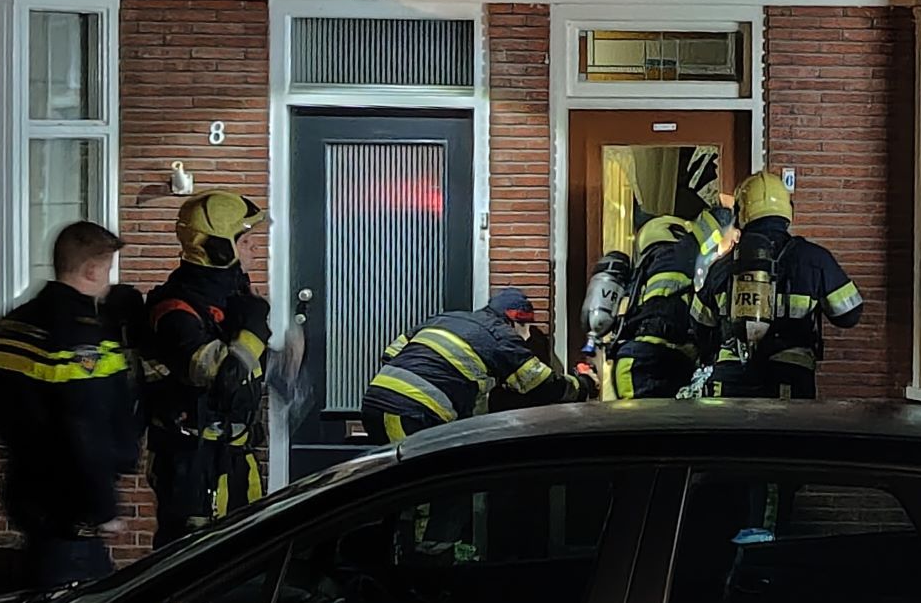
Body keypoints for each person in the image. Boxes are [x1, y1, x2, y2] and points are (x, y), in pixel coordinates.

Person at [0, 222, 142, 586]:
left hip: (27, 488)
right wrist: (104, 508)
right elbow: (85, 427)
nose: (109, 281)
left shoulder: (11, 326)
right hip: (72, 504)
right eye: (108, 269)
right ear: (92, 269)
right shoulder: (80, 340)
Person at [143, 190, 271, 547]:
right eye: (245, 241)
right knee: (194, 557)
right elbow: (223, 377)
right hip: (192, 466)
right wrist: (253, 331)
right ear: (219, 249)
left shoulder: (231, 300)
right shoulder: (175, 310)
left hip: (233, 455)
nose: (255, 248)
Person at [689, 170, 864, 401]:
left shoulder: (721, 266)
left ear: (741, 213)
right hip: (788, 377)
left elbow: (700, 327)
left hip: (730, 381)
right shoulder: (815, 259)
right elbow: (849, 315)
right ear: (787, 209)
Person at [361, 289, 584, 441]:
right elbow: (543, 385)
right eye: (526, 328)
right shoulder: (502, 337)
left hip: (374, 404)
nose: (526, 336)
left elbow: (390, 353)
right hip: (411, 414)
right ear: (514, 321)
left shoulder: (446, 318)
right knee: (419, 488)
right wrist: (582, 384)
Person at [602, 216, 703, 399]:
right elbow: (669, 313)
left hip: (638, 361)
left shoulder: (644, 270)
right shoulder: (671, 259)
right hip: (652, 361)